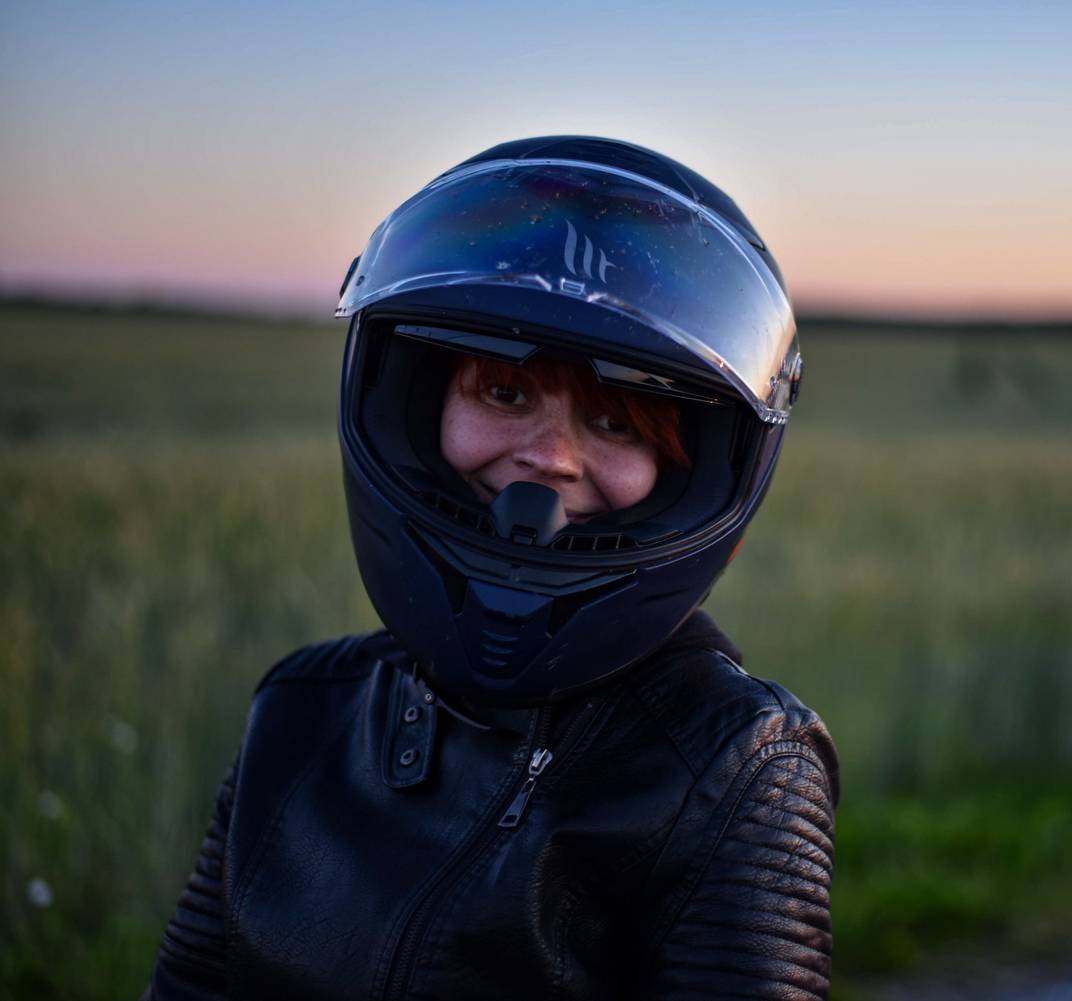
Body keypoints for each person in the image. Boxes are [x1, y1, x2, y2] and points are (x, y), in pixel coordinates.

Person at [144, 136, 838, 1000]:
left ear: (689, 468)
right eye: (504, 393)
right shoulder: (301, 710)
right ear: (416, 402)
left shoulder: (733, 766)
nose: (549, 458)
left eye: (617, 423)